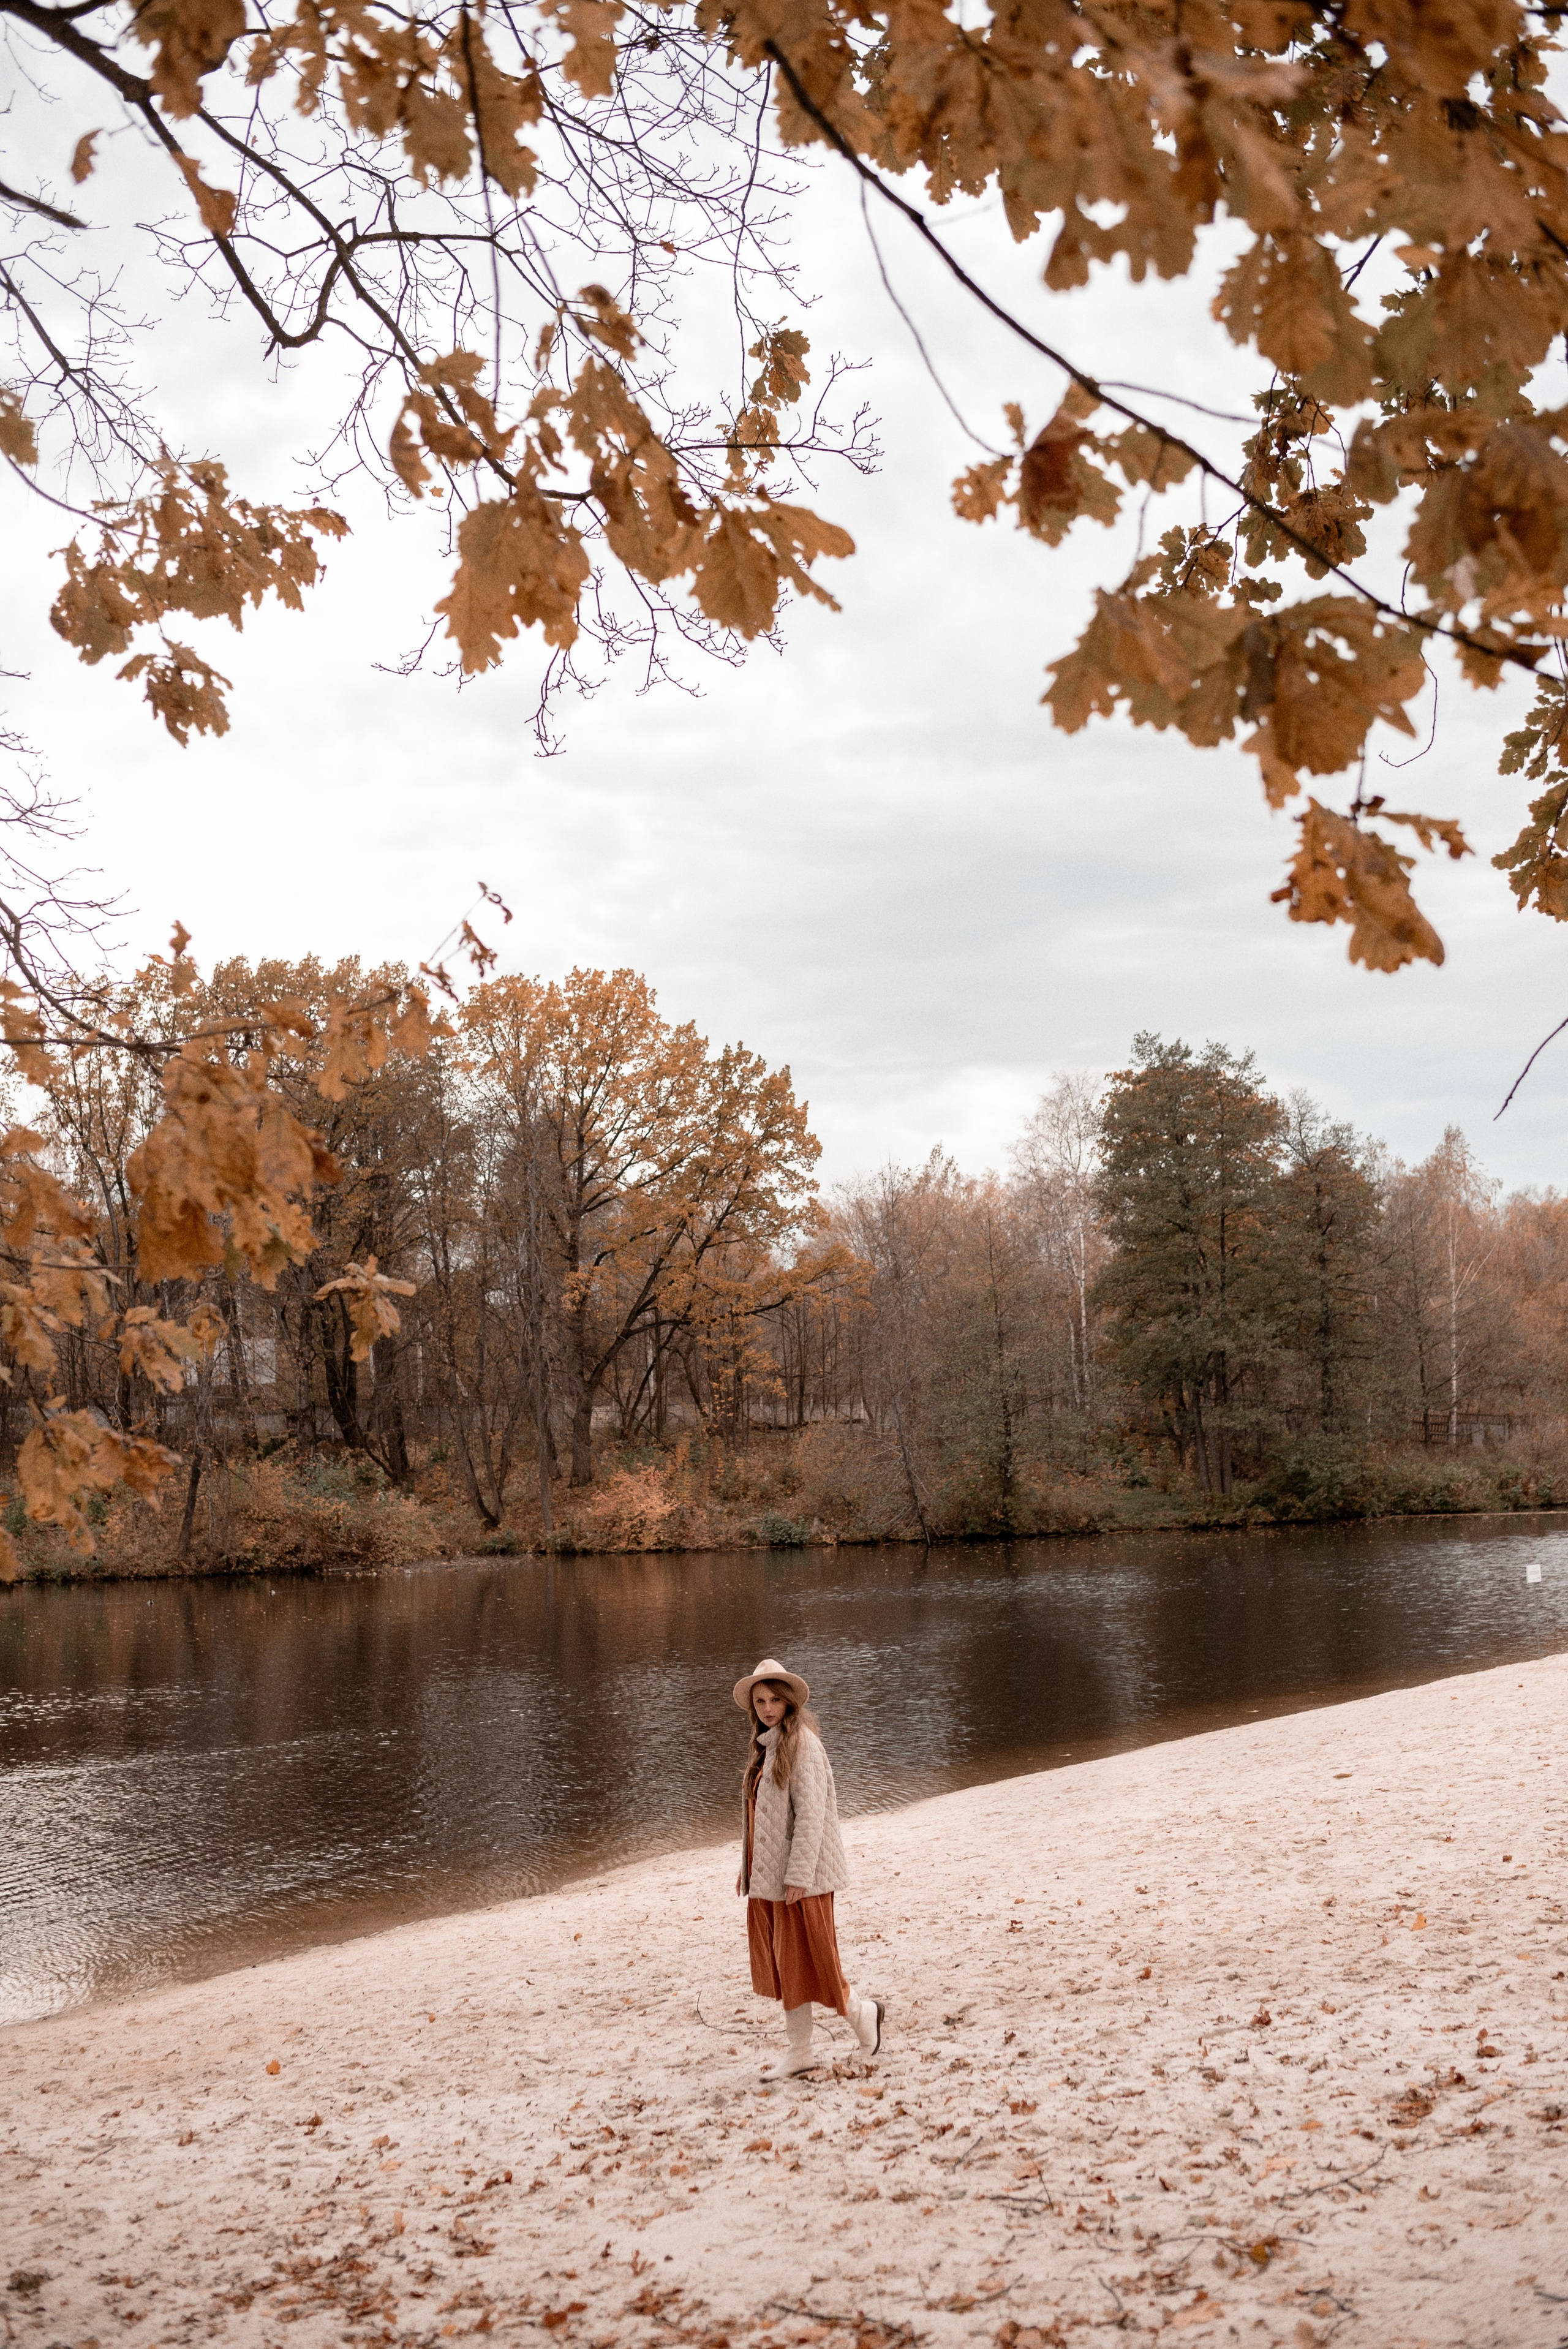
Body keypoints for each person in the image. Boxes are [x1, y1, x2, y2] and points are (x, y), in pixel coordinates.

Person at [733, 1656, 885, 2078]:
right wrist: (747, 1867)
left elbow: (812, 1817)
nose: (767, 1708)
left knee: (816, 1960)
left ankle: (862, 2014)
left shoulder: (803, 1745)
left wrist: (798, 1875)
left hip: (804, 1877)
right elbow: (760, 1817)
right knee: (788, 1966)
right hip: (771, 1878)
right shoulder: (766, 1746)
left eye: (774, 1699)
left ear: (788, 1702)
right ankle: (801, 2050)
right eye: (760, 1700)